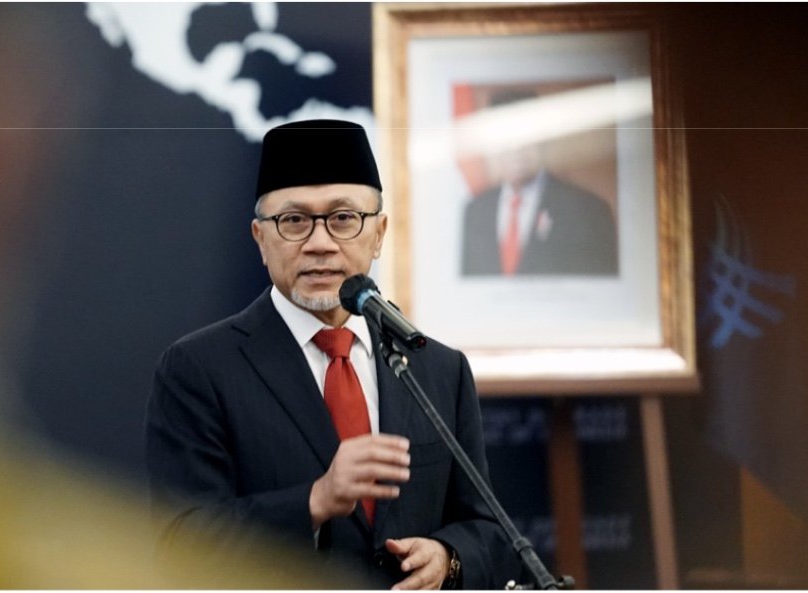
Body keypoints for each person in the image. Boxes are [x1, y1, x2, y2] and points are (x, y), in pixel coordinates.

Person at [145, 119, 523, 589]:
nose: (320, 243)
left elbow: (491, 531)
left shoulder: (437, 369)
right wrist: (315, 501)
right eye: (294, 221)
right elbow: (178, 544)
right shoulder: (200, 369)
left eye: (343, 218)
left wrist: (449, 558)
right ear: (261, 239)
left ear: (379, 233)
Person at [461, 90, 619, 277]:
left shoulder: (588, 211)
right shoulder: (474, 212)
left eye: (526, 137)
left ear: (544, 139)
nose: (516, 150)